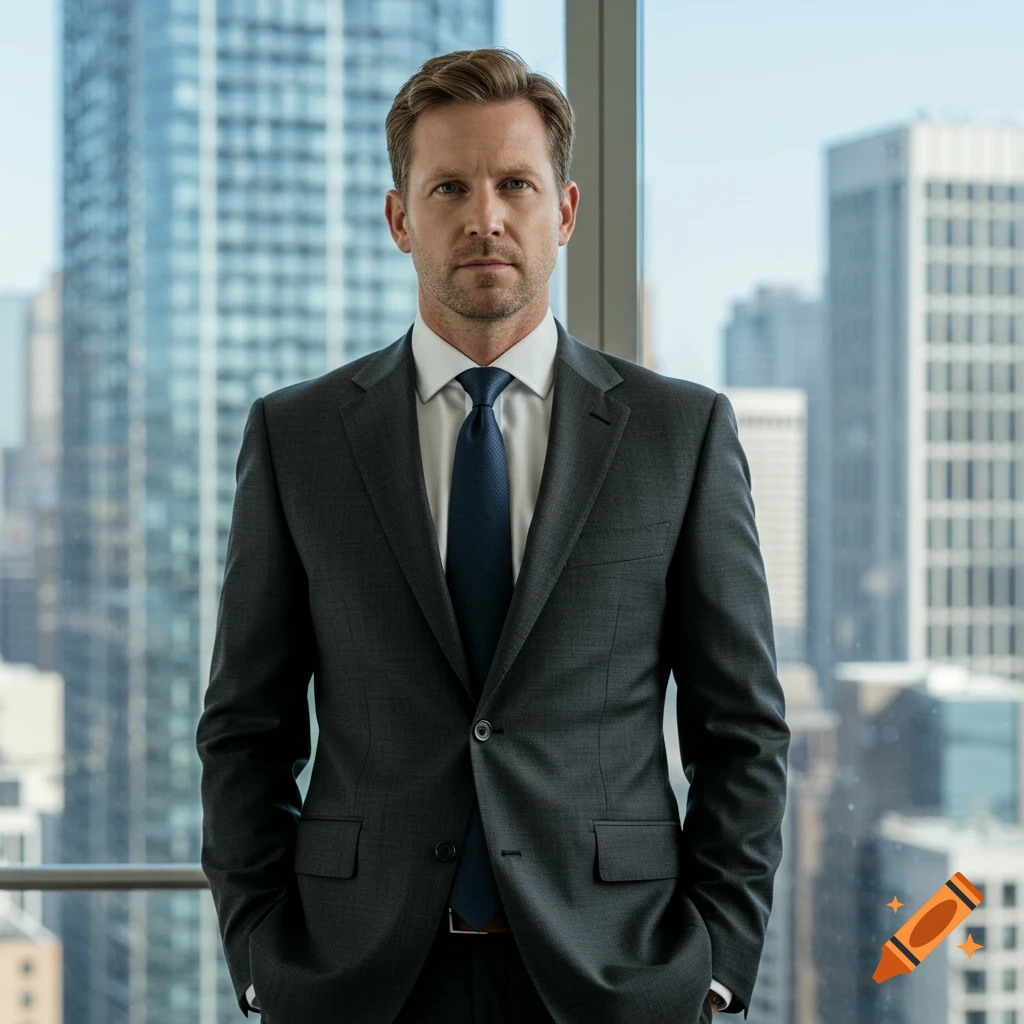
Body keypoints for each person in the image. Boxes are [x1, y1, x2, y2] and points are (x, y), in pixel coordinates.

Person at [196, 45, 790, 1024]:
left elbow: (742, 730)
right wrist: (265, 958)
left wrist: (714, 963)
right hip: (359, 981)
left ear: (562, 210)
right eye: (448, 188)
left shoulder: (677, 434)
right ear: (400, 218)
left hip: (613, 979)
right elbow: (244, 729)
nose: (484, 216)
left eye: (515, 182)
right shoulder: (296, 437)